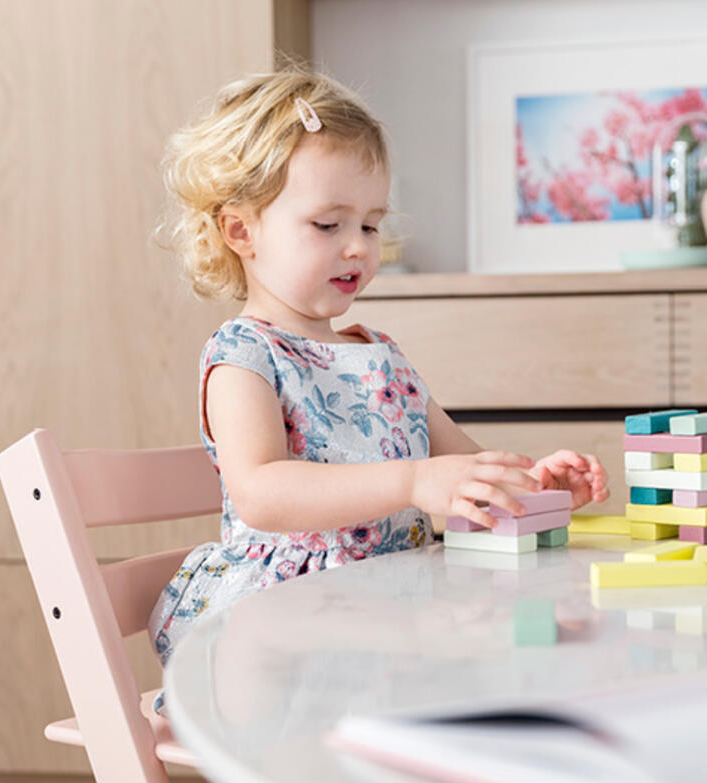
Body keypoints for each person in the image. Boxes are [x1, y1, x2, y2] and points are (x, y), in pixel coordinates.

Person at [147, 66, 609, 696]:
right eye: (327, 224)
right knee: (473, 645)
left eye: (370, 224)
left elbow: (463, 473)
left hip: (392, 609)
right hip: (285, 627)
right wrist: (412, 481)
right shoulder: (245, 355)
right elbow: (260, 492)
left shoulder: (383, 358)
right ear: (241, 231)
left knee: (500, 639)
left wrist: (532, 489)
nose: (359, 247)